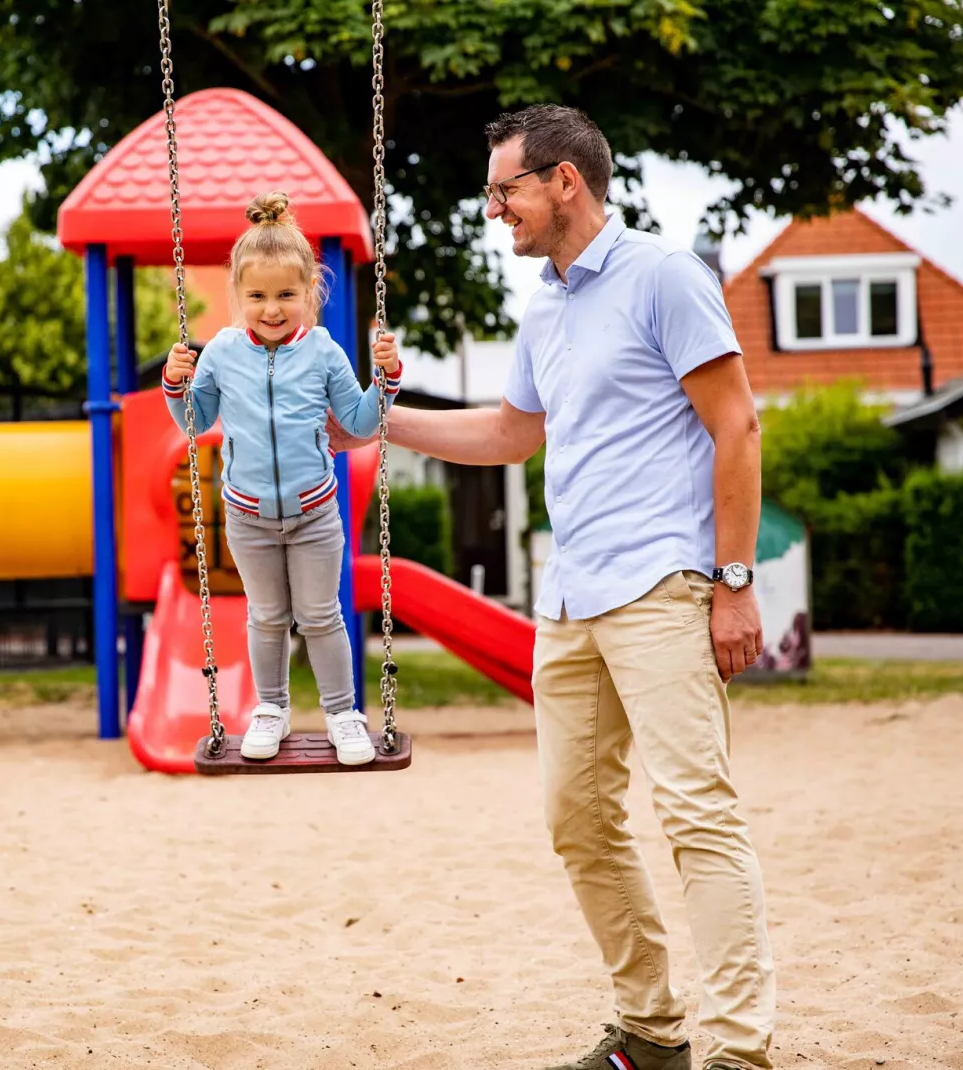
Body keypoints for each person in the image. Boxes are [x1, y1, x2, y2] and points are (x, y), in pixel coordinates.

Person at [331, 105, 772, 1069]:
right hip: (569, 598)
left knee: (698, 815)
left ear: (565, 181)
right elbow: (511, 433)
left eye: (506, 189)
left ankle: (743, 1052)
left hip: (664, 582)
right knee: (575, 818)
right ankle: (652, 1034)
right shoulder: (547, 304)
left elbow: (736, 425)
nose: (495, 210)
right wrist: (379, 426)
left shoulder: (664, 276)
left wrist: (734, 582)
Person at [162, 192, 402, 766]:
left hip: (315, 513)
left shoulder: (322, 351)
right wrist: (176, 385)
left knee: (321, 616)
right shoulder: (220, 351)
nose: (273, 308)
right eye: (258, 296)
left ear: (309, 295)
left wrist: (386, 379)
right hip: (247, 516)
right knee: (266, 617)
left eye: (287, 295)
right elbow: (194, 421)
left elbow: (362, 422)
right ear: (239, 297)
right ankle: (270, 708)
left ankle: (344, 714)